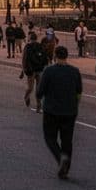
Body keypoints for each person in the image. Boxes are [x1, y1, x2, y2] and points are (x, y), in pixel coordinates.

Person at [37, 46, 83, 179]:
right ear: (67, 56)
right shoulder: (75, 71)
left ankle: (60, 157)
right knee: (67, 140)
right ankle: (66, 167)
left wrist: (39, 98)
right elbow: (79, 91)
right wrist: (75, 105)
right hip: (69, 111)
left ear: (55, 56)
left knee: (50, 137)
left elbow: (40, 91)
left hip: (52, 110)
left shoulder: (49, 71)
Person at [22, 32, 47, 112]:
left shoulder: (28, 46)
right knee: (37, 88)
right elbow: (44, 57)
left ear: (30, 38)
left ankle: (28, 98)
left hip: (32, 70)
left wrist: (25, 70)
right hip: (38, 69)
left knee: (30, 87)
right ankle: (38, 104)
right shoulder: (39, 46)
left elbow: (25, 59)